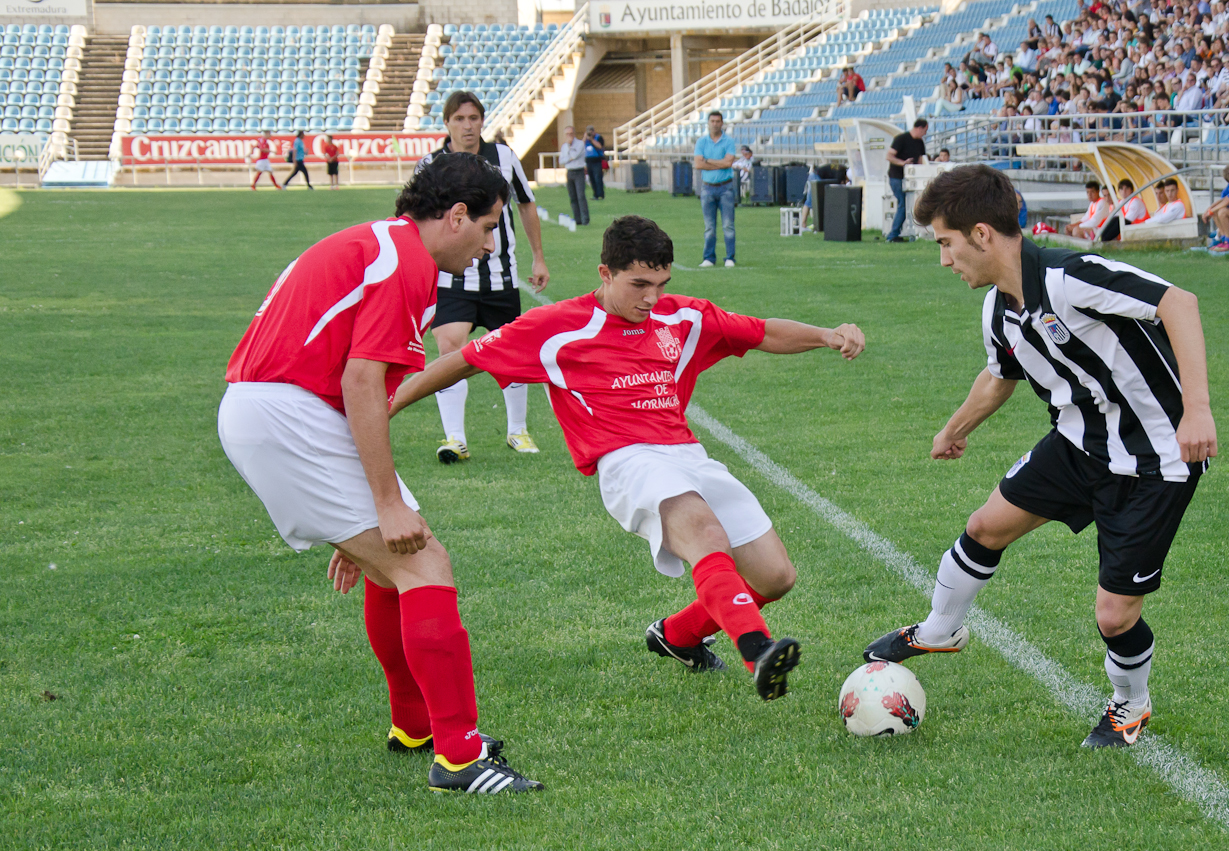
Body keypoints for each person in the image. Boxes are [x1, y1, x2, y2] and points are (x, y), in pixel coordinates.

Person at [388, 215, 866, 701]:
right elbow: (461, 360)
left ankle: (677, 635)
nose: (651, 298)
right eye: (638, 284)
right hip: (625, 461)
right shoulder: (556, 327)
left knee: (775, 575)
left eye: (661, 284)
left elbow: (761, 332)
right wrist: (388, 405)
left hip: (687, 454)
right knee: (704, 532)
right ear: (605, 274)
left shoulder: (683, 317)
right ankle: (758, 649)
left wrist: (827, 334)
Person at [217, 154, 542, 794]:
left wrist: (361, 524)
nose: (487, 244)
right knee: (424, 563)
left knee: (396, 561)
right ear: (455, 217)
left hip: (284, 412)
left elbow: (355, 385)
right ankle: (459, 757)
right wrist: (382, 504)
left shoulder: (381, 243)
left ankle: (414, 724)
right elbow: (361, 382)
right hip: (288, 415)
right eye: (486, 228)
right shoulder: (407, 264)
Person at [864, 165, 1217, 750]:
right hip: (1079, 445)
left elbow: (1179, 303)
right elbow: (999, 376)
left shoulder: (1071, 277)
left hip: (1155, 460)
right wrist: (954, 429)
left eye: (946, 244)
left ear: (982, 235)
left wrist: (1197, 410)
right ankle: (940, 631)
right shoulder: (997, 309)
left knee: (1114, 616)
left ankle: (1131, 704)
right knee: (985, 527)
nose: (945, 260)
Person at [413, 91, 551, 464]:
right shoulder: (431, 164)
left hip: (500, 277)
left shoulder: (504, 158)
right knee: (449, 349)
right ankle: (455, 438)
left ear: (482, 121)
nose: (467, 125)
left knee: (512, 352)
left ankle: (517, 430)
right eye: (459, 119)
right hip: (451, 278)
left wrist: (538, 258)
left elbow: (526, 202)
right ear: (446, 123)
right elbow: (417, 219)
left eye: (473, 118)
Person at [694, 111, 738, 267]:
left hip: (725, 187)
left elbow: (728, 163)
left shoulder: (729, 141)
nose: (715, 124)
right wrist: (719, 162)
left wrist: (708, 161)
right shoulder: (701, 142)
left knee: (728, 225)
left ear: (722, 123)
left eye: (718, 121)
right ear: (708, 123)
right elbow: (698, 164)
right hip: (707, 187)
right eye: (712, 121)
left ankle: (730, 257)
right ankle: (709, 257)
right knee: (709, 226)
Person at [885, 118, 929, 243]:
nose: (925, 134)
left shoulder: (920, 143)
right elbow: (889, 156)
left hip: (911, 178)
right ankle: (893, 234)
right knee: (903, 204)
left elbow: (920, 160)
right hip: (897, 176)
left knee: (907, 205)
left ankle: (900, 232)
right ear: (919, 128)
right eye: (925, 130)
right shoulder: (901, 139)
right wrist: (903, 163)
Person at [559, 124, 590, 226]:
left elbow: (574, 156)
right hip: (570, 172)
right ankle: (577, 219)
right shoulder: (564, 146)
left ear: (574, 133)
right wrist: (569, 154)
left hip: (579, 172)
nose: (569, 136)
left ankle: (585, 219)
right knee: (572, 196)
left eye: (571, 133)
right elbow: (561, 160)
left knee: (581, 196)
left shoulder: (580, 144)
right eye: (567, 134)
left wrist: (568, 157)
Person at [583, 126, 606, 200]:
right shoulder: (585, 139)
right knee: (592, 178)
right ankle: (595, 194)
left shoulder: (598, 138)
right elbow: (581, 146)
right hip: (589, 161)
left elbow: (600, 146)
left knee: (598, 178)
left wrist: (592, 139)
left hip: (597, 161)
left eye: (591, 132)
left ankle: (600, 194)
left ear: (593, 131)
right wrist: (585, 137)